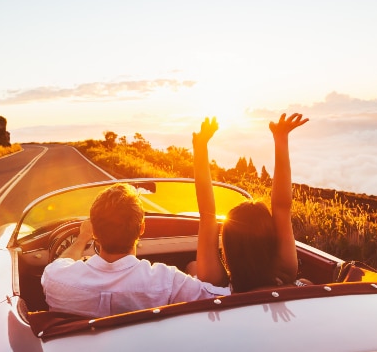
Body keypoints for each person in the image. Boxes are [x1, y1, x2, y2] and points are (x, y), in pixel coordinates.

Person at [41, 183, 230, 317]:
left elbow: (61, 263)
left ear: (95, 232)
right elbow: (223, 298)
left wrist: (82, 238)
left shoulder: (55, 278)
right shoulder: (167, 281)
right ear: (141, 229)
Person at [192, 113, 309, 292]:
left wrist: (200, 147)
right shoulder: (285, 270)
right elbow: (281, 207)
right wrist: (281, 139)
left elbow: (207, 215)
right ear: (272, 240)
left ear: (228, 247)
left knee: (191, 267)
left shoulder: (216, 283)